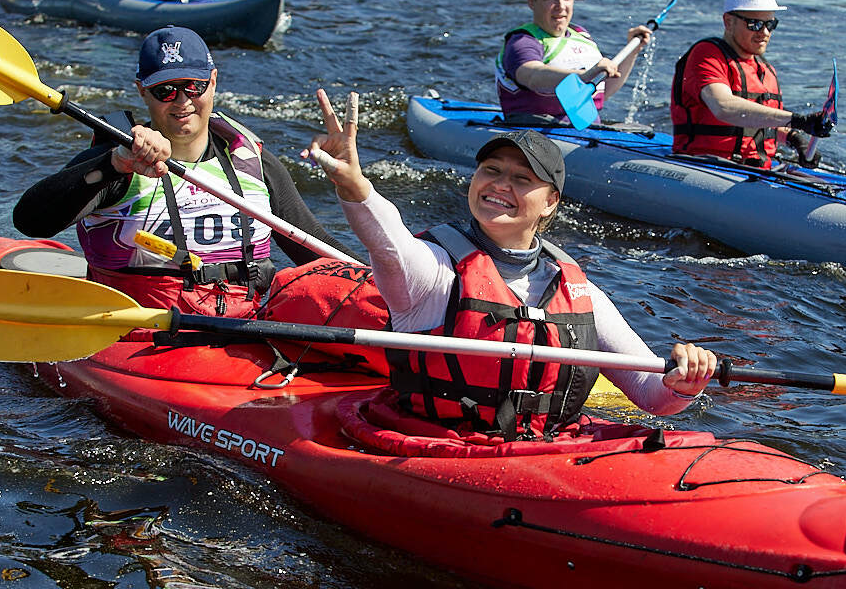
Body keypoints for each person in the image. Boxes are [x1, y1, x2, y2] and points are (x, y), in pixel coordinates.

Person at [303, 90, 718, 441]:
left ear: (551, 201)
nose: (500, 184)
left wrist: (682, 385)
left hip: (541, 452)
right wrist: (353, 185)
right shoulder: (430, 270)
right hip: (437, 447)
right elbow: (386, 240)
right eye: (491, 170)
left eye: (522, 179)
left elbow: (650, 395)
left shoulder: (575, 288)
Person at [15, 26, 342, 317]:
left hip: (244, 335)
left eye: (193, 86)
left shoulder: (253, 161)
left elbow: (318, 254)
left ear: (212, 83)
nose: (182, 101)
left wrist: (356, 195)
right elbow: (30, 220)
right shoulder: (116, 159)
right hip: (137, 338)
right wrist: (115, 164)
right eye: (165, 91)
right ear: (142, 91)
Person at [670, 0, 832, 169]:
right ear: (728, 22)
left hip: (757, 170)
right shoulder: (706, 55)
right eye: (754, 24)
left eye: (770, 24)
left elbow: (758, 120)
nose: (764, 33)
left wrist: (795, 139)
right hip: (706, 165)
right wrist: (798, 120)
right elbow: (723, 106)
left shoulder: (765, 69)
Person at [495, 0, 652, 123]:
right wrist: (583, 76)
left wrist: (633, 51)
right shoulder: (523, 41)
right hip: (534, 131)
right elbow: (531, 75)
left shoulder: (581, 35)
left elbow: (605, 90)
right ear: (531, 2)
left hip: (585, 131)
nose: (561, 6)